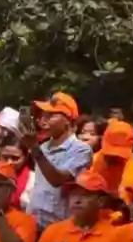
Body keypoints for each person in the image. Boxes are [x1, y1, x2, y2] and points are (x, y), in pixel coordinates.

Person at [16, 93, 95, 228]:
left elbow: (57, 180)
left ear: (67, 120)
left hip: (58, 227)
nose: (43, 121)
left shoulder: (82, 150)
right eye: (42, 116)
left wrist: (35, 149)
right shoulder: (43, 147)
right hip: (33, 222)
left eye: (50, 115)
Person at [90, 120, 133, 203]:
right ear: (102, 140)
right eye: (110, 152)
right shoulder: (88, 163)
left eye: (119, 154)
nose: (114, 156)